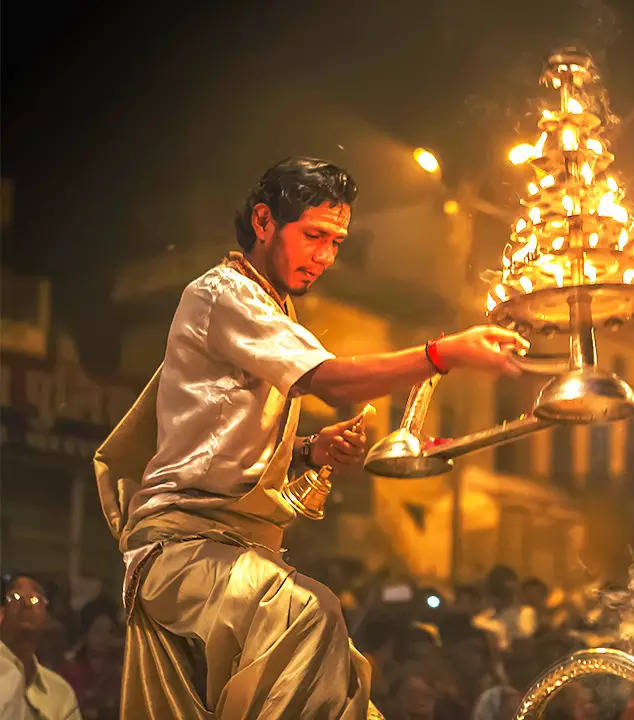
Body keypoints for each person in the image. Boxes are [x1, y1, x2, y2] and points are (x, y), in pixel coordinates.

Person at [94, 157, 529, 719]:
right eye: (314, 236)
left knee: (342, 680)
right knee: (309, 613)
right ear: (263, 221)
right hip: (182, 547)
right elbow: (330, 379)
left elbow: (216, 427)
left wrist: (309, 450)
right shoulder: (223, 293)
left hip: (240, 549)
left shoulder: (275, 307)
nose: (325, 256)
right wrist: (440, 355)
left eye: (337, 241)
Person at [0, 574, 82, 720]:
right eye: (16, 597)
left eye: (35, 599)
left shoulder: (60, 692)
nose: (26, 603)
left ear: (46, 619)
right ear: (2, 613)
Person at [58, 599, 123, 719]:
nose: (104, 637)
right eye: (98, 630)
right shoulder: (71, 670)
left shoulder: (120, 669)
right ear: (85, 634)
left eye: (109, 631)